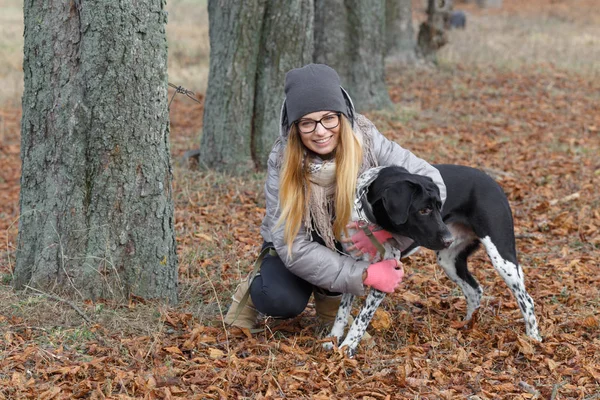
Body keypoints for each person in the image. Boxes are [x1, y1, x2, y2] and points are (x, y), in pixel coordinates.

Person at [224, 64, 446, 333]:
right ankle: (255, 289)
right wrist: (363, 274)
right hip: (298, 245)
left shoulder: (366, 139)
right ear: (295, 128)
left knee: (348, 231)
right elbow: (292, 244)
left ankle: (330, 299)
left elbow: (432, 183)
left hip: (349, 235)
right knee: (278, 299)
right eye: (307, 122)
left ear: (342, 115)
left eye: (329, 118)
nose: (320, 131)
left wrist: (388, 237)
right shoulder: (283, 161)